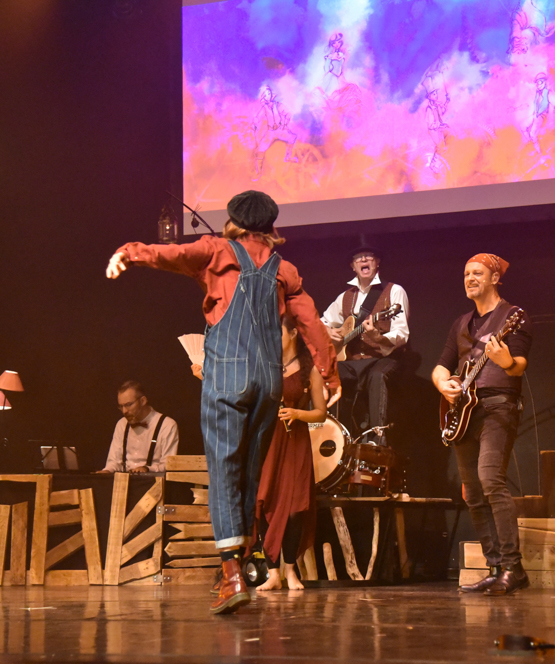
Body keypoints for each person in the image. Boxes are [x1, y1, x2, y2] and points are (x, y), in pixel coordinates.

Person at [106, 190, 339, 615]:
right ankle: (247, 561)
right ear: (270, 226)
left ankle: (231, 572)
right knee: (250, 470)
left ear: (233, 222)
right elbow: (311, 323)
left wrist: (129, 252)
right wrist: (329, 373)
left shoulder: (216, 251)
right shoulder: (283, 269)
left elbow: (172, 254)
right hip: (269, 381)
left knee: (224, 468)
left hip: (229, 377)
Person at [432, 255, 532, 595]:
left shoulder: (513, 317)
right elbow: (442, 365)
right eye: (466, 274)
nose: (470, 278)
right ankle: (495, 567)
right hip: (464, 412)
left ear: (495, 278)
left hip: (497, 407)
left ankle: (514, 568)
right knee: (473, 493)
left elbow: (518, 365)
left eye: (477, 273)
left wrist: (506, 361)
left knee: (491, 481)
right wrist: (443, 384)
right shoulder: (461, 323)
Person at [254, 313, 325, 591]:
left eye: (278, 333)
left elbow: (320, 413)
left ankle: (291, 571)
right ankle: (273, 573)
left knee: (296, 507)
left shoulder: (309, 370)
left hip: (295, 443)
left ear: (293, 334)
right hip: (268, 442)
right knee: (266, 502)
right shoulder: (264, 366)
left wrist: (297, 413)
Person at [321, 246, 409, 445]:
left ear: (377, 262)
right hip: (352, 361)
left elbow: (401, 334)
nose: (363, 260)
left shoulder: (394, 291)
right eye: (358, 257)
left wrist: (377, 337)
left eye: (368, 256)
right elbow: (321, 322)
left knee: (378, 376)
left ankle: (378, 439)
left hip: (382, 358)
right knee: (325, 373)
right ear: (353, 266)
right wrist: (327, 331)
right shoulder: (345, 296)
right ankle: (333, 438)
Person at [98, 380, 179, 474]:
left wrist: (147, 469)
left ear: (143, 401)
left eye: (128, 405)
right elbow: (114, 462)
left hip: (153, 481)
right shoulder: (121, 424)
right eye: (121, 406)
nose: (124, 411)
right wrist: (107, 471)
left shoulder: (167, 425)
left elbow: (168, 465)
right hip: (124, 480)